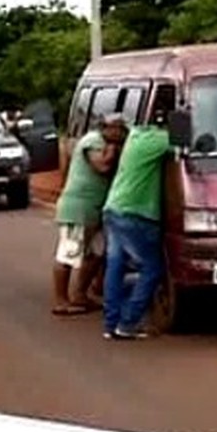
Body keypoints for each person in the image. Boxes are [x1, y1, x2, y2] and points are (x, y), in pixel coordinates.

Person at [101, 107, 174, 340]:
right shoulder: (157, 140)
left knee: (116, 267)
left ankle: (112, 324)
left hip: (114, 208)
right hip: (135, 212)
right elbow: (191, 145)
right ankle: (129, 321)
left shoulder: (136, 136)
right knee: (152, 268)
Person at [50, 114, 128, 315]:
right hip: (78, 207)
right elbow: (102, 166)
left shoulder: (104, 141)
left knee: (97, 253)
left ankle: (80, 294)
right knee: (69, 253)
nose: (121, 133)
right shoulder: (92, 141)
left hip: (95, 208)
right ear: (106, 128)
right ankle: (60, 299)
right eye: (118, 129)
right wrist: (112, 148)